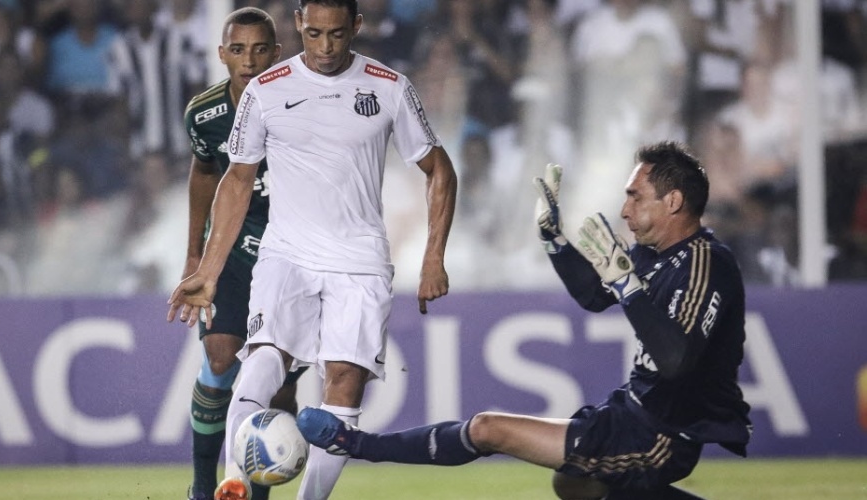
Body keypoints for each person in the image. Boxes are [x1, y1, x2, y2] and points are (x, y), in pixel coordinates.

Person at [297, 141, 751, 500]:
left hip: (663, 434)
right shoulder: (653, 254)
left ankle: (354, 444)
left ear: (673, 201)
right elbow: (595, 296)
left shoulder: (705, 264)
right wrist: (555, 241)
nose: (625, 209)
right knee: (575, 485)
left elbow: (676, 361)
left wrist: (628, 287)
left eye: (635, 196)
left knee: (488, 429)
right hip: (632, 411)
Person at [167, 1, 458, 498]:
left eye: (337, 35)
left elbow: (439, 169)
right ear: (299, 23)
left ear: (357, 28)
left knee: (343, 384)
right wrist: (208, 269)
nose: (325, 48)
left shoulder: (389, 87)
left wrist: (434, 256)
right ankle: (234, 483)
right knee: (260, 360)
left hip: (359, 259)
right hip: (287, 254)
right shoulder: (266, 89)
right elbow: (235, 181)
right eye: (315, 33)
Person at [177, 8, 307, 500]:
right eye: (238, 49)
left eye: (259, 49)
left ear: (277, 53)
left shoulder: (304, 101)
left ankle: (257, 490)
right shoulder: (204, 114)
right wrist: (195, 256)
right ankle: (202, 487)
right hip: (233, 252)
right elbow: (205, 172)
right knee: (219, 355)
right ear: (222, 54)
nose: (248, 61)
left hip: (295, 258)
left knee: (279, 387)